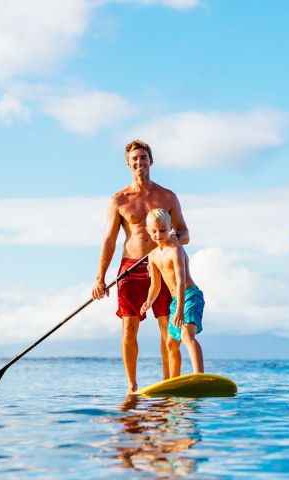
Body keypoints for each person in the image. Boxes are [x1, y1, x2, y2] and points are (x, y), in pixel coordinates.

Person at [92, 140, 189, 394]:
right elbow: (109, 240)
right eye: (134, 159)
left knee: (168, 325)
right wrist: (99, 278)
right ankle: (132, 386)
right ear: (128, 163)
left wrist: (175, 239)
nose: (139, 163)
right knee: (129, 327)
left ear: (151, 161)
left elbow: (184, 231)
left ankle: (169, 382)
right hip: (130, 268)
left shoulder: (167, 196)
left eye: (143, 158)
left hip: (162, 265)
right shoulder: (119, 200)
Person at [141, 209, 205, 378]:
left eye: (163, 230)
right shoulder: (153, 256)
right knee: (170, 343)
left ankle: (199, 376)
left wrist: (180, 309)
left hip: (189, 296)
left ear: (170, 228)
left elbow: (181, 280)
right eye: (154, 231)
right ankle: (174, 380)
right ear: (147, 230)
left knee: (186, 335)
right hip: (176, 301)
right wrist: (148, 302)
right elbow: (155, 285)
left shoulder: (175, 250)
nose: (158, 234)